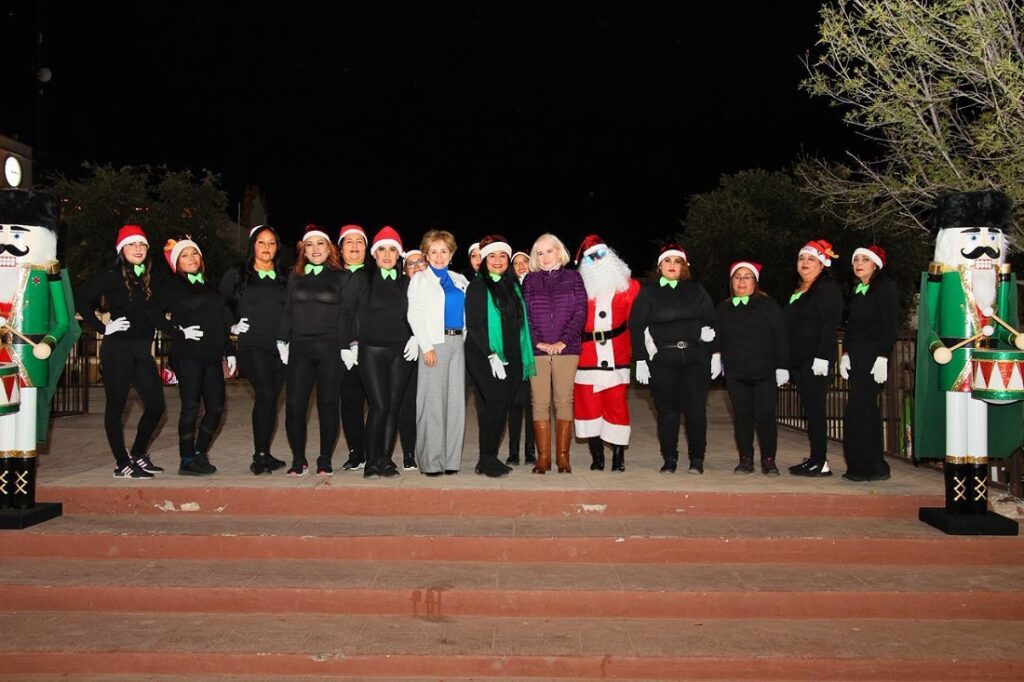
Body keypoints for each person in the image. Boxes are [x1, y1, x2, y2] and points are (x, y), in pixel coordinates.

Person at [75, 225, 165, 479]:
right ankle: (121, 463)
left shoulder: (149, 277)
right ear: (121, 249)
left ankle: (137, 453)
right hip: (117, 349)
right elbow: (81, 298)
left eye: (142, 244)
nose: (138, 249)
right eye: (132, 244)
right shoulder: (111, 274)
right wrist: (103, 327)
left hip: (141, 351)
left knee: (156, 406)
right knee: (116, 406)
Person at [151, 237, 234, 476]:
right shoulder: (173, 285)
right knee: (191, 407)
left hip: (212, 354)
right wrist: (177, 331)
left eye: (194, 253)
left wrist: (230, 351)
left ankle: (199, 452)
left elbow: (220, 321)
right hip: (187, 354)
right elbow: (152, 311)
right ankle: (186, 459)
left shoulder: (210, 285)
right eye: (185, 255)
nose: (191, 259)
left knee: (216, 407)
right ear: (177, 262)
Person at [629, 244, 715, 474]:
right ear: (659, 266)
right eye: (667, 261)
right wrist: (640, 359)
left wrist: (716, 354)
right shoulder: (649, 292)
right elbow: (636, 326)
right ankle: (669, 458)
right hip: (663, 360)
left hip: (695, 359)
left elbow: (712, 321)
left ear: (684, 267)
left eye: (677, 262)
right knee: (668, 412)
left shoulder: (696, 290)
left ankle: (697, 459)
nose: (672, 265)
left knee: (696, 411)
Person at [278, 224, 351, 476]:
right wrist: (281, 340)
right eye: (310, 245)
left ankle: (324, 458)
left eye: (320, 244)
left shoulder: (342, 277)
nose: (315, 249)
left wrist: (346, 345)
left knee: (328, 404)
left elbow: (346, 315)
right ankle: (298, 459)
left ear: (329, 249)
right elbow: (288, 310)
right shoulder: (295, 276)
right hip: (300, 349)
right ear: (304, 250)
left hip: (330, 350)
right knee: (294, 407)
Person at [219, 224, 288, 475]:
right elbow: (221, 304)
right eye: (261, 242)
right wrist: (232, 325)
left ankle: (264, 453)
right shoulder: (237, 274)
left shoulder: (286, 276)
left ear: (277, 247)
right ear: (252, 246)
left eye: (271, 243)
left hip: (281, 348)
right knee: (266, 395)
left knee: (271, 401)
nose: (266, 247)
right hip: (253, 346)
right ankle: (259, 456)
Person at [465, 235, 536, 477]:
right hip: (484, 354)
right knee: (495, 402)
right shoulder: (478, 286)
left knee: (501, 405)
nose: (498, 260)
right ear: (484, 260)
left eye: (503, 255)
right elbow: (474, 325)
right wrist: (491, 354)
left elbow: (519, 324)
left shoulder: (513, 286)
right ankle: (487, 458)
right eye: (492, 256)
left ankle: (488, 457)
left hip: (512, 354)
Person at [710, 260, 789, 476]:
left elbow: (781, 335)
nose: (742, 282)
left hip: (765, 372)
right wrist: (716, 355)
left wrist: (782, 366)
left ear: (755, 281)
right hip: (736, 373)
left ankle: (769, 459)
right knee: (742, 416)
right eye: (737, 277)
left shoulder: (768, 305)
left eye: (747, 277)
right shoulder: (723, 308)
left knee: (765, 416)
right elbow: (717, 335)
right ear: (731, 282)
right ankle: (745, 458)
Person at [351, 226, 418, 479]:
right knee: (379, 405)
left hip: (400, 352)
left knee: (393, 405)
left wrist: (415, 337)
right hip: (371, 350)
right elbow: (348, 313)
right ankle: (370, 460)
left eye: (392, 249)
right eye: (382, 249)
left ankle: (386, 459)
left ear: (398, 254)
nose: (387, 254)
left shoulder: (407, 282)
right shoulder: (361, 279)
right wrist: (350, 343)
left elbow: (416, 314)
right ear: (374, 253)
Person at [574, 235, 640, 472]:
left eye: (600, 254)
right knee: (588, 407)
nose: (596, 260)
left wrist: (642, 353)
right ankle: (597, 456)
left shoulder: (630, 287)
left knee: (617, 405)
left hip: (617, 356)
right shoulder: (578, 289)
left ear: (610, 255)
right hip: (586, 357)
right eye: (590, 258)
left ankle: (619, 456)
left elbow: (637, 323)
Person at [522, 233, 587, 474]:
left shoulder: (574, 278)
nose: (545, 257)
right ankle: (543, 458)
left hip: (566, 349)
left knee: (563, 401)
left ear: (559, 252)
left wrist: (563, 341)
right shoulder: (530, 280)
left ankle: (562, 458)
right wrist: (538, 342)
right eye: (539, 253)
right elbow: (525, 315)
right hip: (537, 351)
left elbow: (580, 312)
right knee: (539, 402)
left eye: (549, 251)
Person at [407, 229, 470, 475]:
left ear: (451, 254)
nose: (439, 256)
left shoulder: (459, 279)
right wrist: (426, 346)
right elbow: (415, 314)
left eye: (444, 251)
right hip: (435, 344)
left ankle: (451, 461)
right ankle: (432, 462)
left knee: (455, 404)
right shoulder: (420, 280)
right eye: (433, 251)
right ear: (426, 254)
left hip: (457, 344)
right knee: (432, 403)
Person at [839, 245, 899, 483]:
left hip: (874, 357)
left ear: (876, 264)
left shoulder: (885, 287)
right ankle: (868, 465)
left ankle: (869, 466)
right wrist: (845, 354)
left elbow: (890, 324)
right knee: (862, 410)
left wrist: (883, 356)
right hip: (858, 356)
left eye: (865, 259)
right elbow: (852, 326)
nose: (859, 264)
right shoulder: (858, 289)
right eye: (856, 259)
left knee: (861, 410)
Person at [784, 239, 843, 477]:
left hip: (815, 359)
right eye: (801, 258)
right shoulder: (799, 291)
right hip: (799, 359)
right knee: (810, 409)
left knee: (816, 409)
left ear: (822, 264)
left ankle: (821, 461)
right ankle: (816, 458)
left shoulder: (826, 287)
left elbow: (830, 323)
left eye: (811, 259)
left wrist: (822, 356)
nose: (805, 263)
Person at [337, 224, 369, 470]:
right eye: (349, 242)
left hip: (373, 349)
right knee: (350, 402)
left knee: (378, 403)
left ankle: (374, 449)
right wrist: (343, 345)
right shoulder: (333, 277)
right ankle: (356, 451)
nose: (355, 246)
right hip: (342, 351)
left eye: (360, 242)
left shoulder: (375, 275)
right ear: (340, 249)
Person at [398, 248, 427, 470]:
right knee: (408, 403)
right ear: (404, 269)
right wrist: (411, 336)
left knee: (429, 404)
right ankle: (409, 453)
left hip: (431, 351)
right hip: (406, 352)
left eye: (420, 262)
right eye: (411, 264)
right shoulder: (399, 289)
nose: (416, 267)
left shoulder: (436, 287)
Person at [506, 250, 535, 465]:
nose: (521, 265)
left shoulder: (538, 287)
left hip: (536, 354)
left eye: (525, 261)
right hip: (516, 353)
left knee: (533, 405)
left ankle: (530, 451)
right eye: (516, 263)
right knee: (515, 403)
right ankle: (514, 450)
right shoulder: (509, 288)